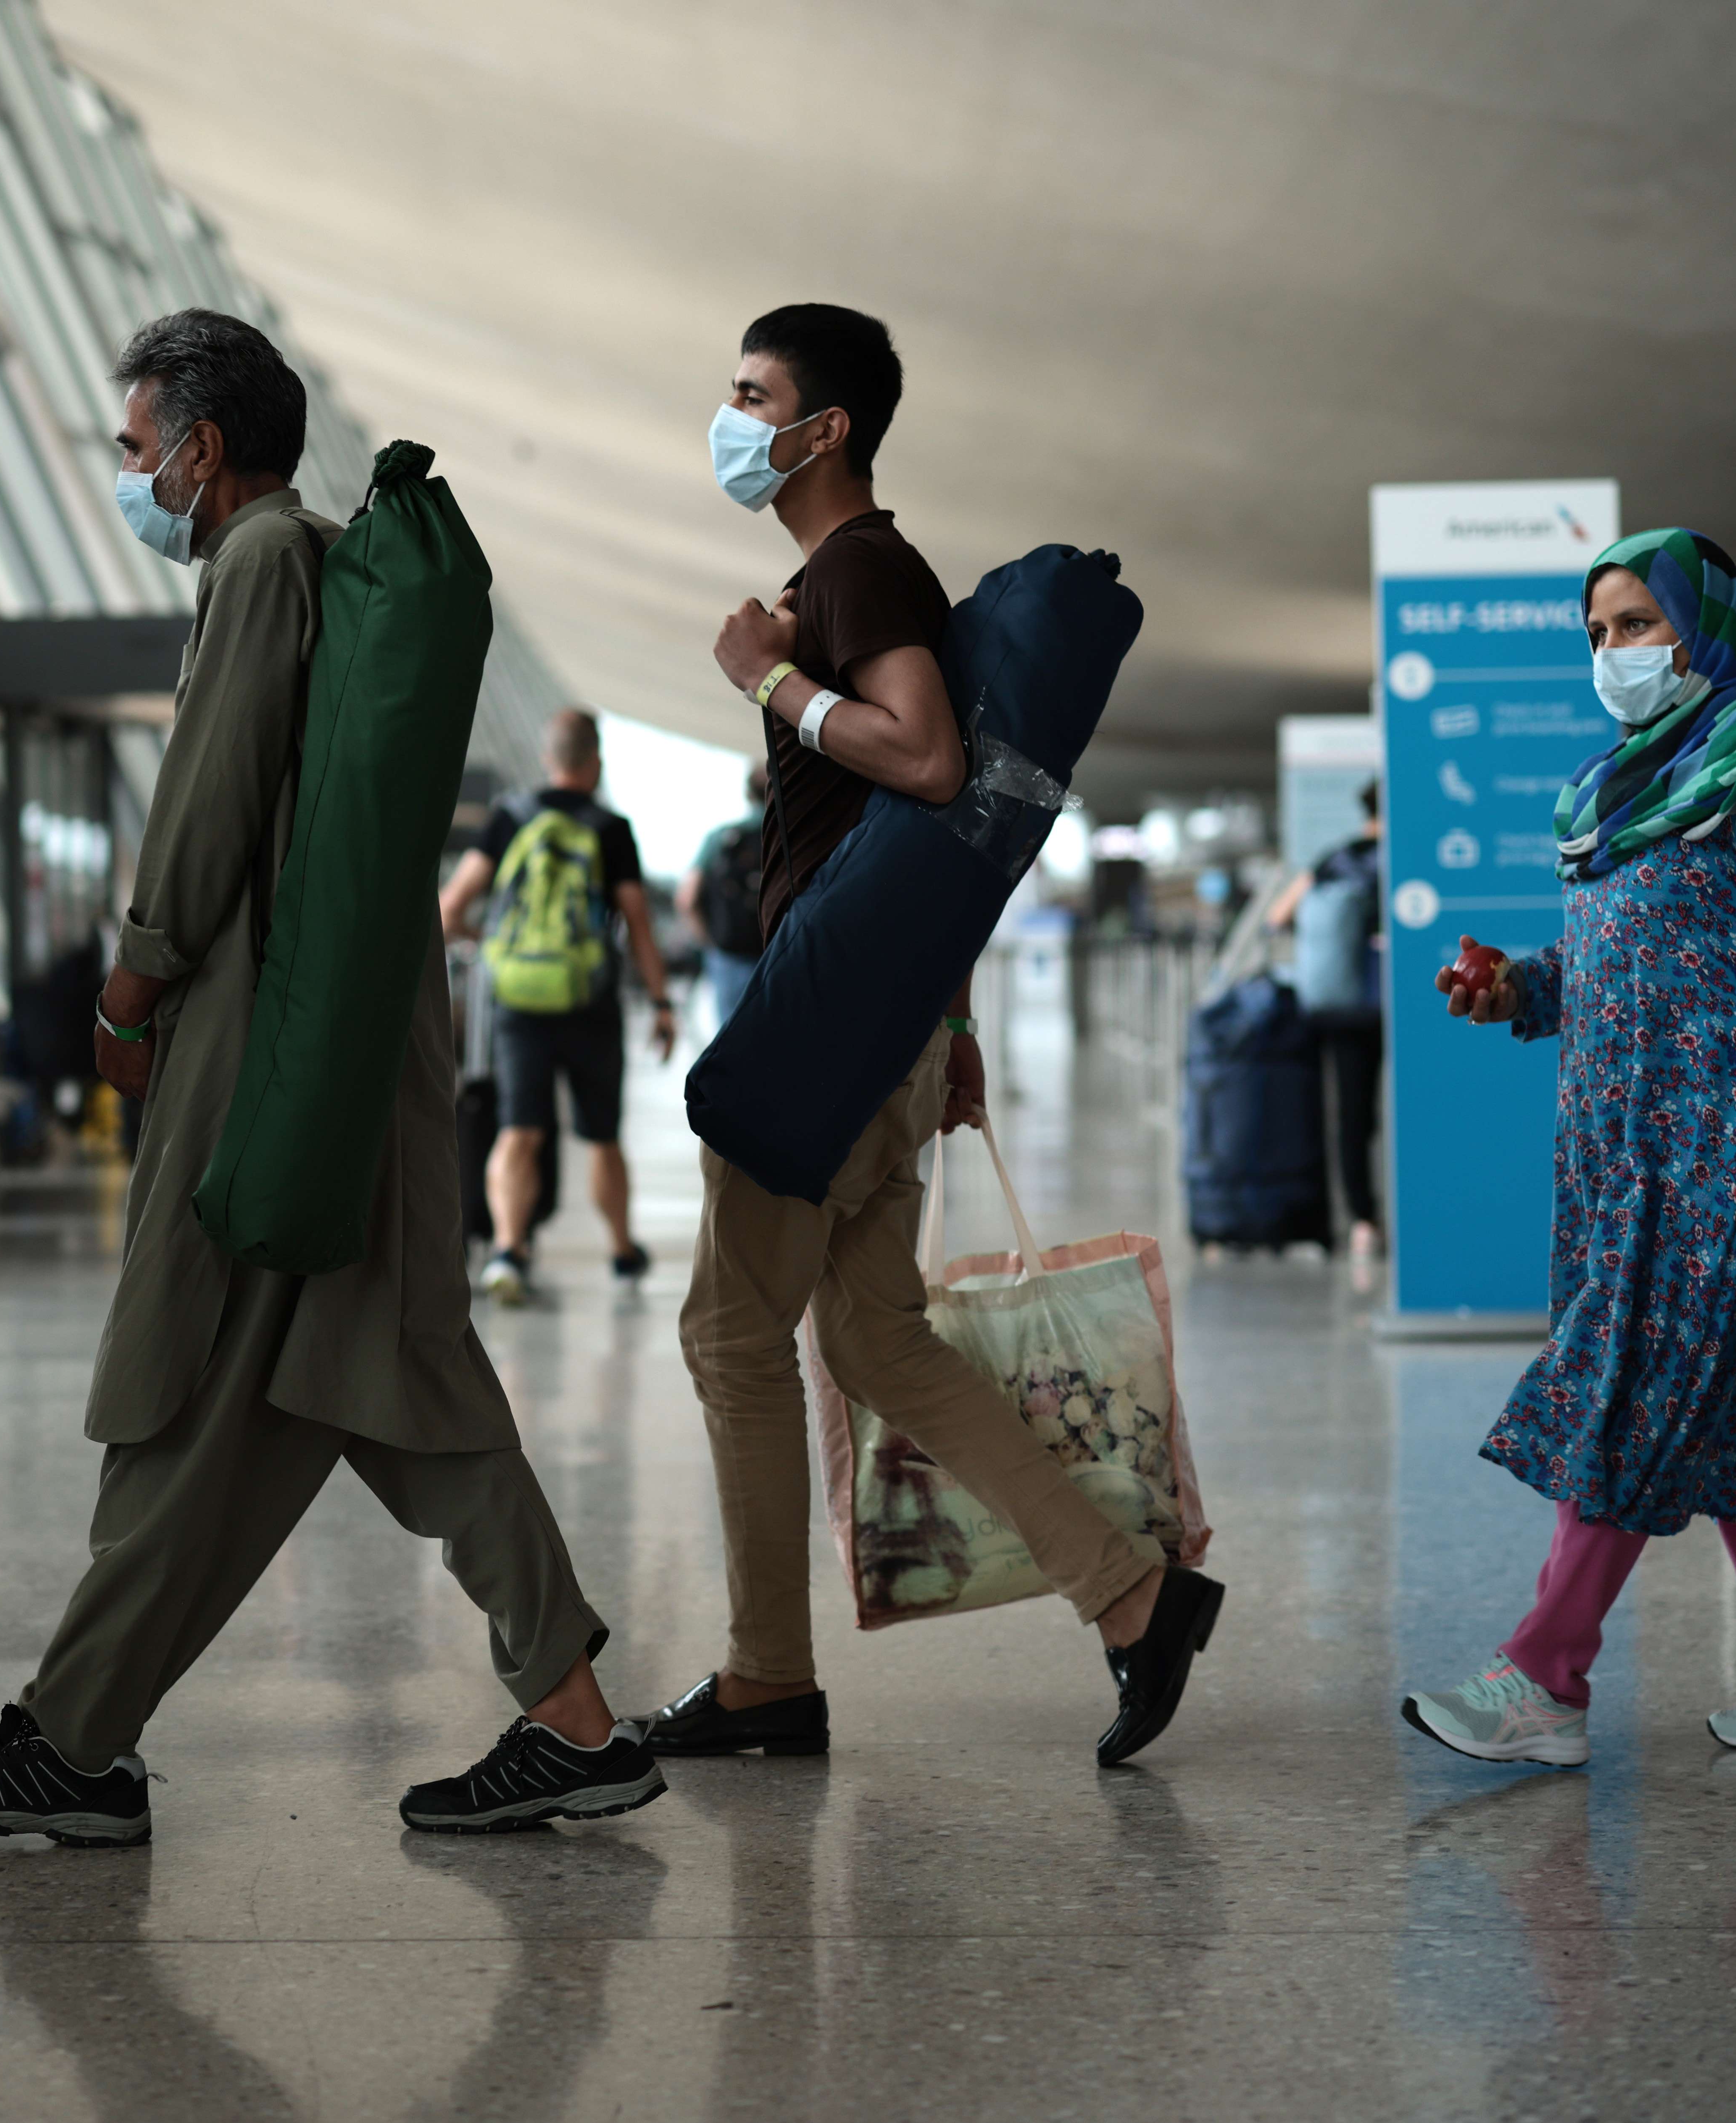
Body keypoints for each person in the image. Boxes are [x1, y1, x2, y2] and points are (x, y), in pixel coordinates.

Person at [0, 310, 660, 1844]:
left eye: (132, 449)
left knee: (188, 1370)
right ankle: (570, 1718)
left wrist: (129, 978)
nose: (127, 477)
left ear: (200, 445)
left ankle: (74, 1739)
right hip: (352, 1043)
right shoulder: (308, 559)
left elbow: (211, 790)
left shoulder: (257, 566)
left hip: (263, 1046)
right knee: (398, 1377)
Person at [652, 301, 1223, 1769]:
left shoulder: (856, 569)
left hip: (829, 1028)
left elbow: (925, 758)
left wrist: (767, 680)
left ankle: (768, 1678)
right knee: (872, 1334)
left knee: (730, 1330)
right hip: (883, 1021)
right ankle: (1132, 1595)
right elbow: (920, 848)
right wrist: (950, 1024)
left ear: (820, 427)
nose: (728, 413)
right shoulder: (844, 572)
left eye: (750, 390)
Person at [1400, 525, 1736, 1769]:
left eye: (1638, 622)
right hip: (1626, 1131)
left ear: (1707, 623)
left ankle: (1541, 1675)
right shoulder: (1616, 782)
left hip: (1731, 1127)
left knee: (1635, 1371)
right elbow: (1621, 959)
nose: (1614, 651)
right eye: (1598, 632)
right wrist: (1519, 987)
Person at [435, 707, 676, 1303]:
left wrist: (490, 945)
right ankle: (622, 1252)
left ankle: (510, 1252)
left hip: (518, 1003)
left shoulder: (510, 818)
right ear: (594, 763)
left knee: (519, 1131)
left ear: (549, 757)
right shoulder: (609, 828)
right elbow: (639, 925)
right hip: (589, 1002)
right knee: (602, 1136)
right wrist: (661, 1003)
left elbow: (449, 911)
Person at [1264, 778, 1386, 1285]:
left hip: (1340, 1007)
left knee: (1351, 1116)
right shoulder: (1399, 859)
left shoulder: (1334, 858)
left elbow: (1277, 917)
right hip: (1398, 1004)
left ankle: (1362, 1222)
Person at [680, 759, 771, 1028]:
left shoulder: (721, 839)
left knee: (732, 1040)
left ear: (747, 793)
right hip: (779, 954)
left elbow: (687, 900)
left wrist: (711, 945)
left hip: (729, 955)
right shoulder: (791, 839)